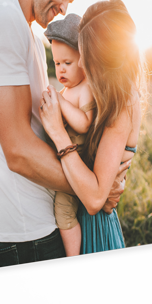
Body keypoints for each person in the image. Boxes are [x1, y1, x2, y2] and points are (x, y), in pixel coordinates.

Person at [0, 0, 130, 268]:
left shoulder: (25, 31)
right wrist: (95, 191)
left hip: (41, 220)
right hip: (30, 231)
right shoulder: (2, 19)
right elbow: (18, 150)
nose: (65, 8)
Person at [40, 0, 148, 254]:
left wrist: (58, 133)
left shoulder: (122, 103)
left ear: (103, 59)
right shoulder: (106, 96)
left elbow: (95, 198)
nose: (79, 64)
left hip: (95, 229)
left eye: (85, 56)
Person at [44, 13, 95, 257]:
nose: (61, 69)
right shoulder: (67, 90)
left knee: (63, 212)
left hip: (78, 164)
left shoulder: (84, 89)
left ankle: (73, 257)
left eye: (68, 63)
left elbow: (84, 124)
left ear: (83, 61)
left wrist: (61, 104)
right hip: (64, 162)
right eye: (57, 64)